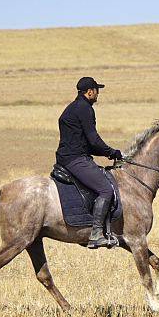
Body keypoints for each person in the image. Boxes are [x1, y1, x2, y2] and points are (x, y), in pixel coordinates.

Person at [56, 76, 123, 249]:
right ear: (90, 92)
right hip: (75, 159)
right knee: (106, 190)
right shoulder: (84, 109)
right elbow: (93, 140)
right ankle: (95, 234)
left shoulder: (72, 108)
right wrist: (112, 152)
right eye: (96, 91)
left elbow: (85, 143)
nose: (98, 94)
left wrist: (108, 153)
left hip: (70, 156)